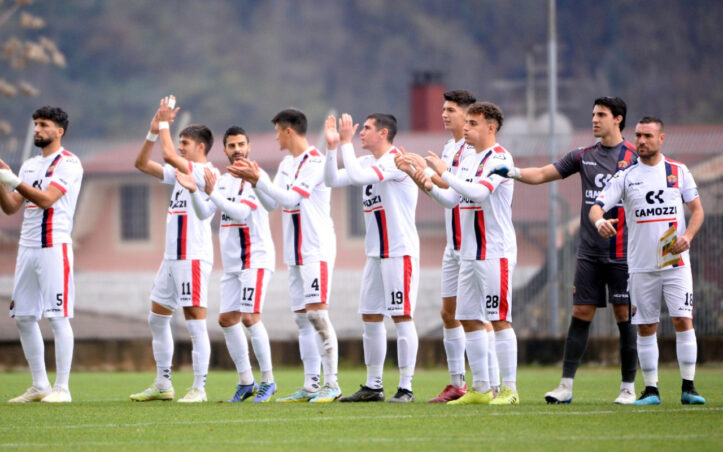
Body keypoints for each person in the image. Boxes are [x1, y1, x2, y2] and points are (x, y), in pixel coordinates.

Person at [488, 96, 638, 404]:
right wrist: (512, 172)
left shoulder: (636, 157)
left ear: (618, 119)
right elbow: (543, 174)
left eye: (602, 115)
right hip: (589, 251)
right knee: (581, 312)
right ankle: (565, 386)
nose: (594, 119)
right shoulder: (583, 155)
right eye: (593, 114)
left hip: (625, 252)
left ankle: (628, 387)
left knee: (624, 315)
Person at [590, 116, 705, 406]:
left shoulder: (678, 171)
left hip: (674, 261)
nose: (641, 141)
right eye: (638, 135)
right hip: (641, 265)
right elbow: (596, 208)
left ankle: (688, 387)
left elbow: (697, 210)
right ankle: (651, 390)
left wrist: (688, 236)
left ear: (661, 139)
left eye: (648, 136)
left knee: (683, 319)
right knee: (645, 326)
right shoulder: (626, 176)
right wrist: (599, 221)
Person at [397, 90, 503, 402]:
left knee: (478, 316)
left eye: (451, 110)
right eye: (443, 109)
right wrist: (419, 173)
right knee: (449, 313)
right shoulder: (450, 147)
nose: (445, 115)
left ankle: (492, 383)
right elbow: (444, 186)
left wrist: (430, 172)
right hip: (453, 244)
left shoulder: (476, 151)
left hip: (477, 245)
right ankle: (458, 382)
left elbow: (452, 183)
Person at [229, 109, 340, 403]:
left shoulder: (315, 161)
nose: (276, 137)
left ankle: (333, 383)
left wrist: (260, 179)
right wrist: (256, 181)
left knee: (317, 314)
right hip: (295, 252)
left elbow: (291, 198)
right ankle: (311, 384)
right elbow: (271, 203)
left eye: (278, 131)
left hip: (316, 248)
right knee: (302, 319)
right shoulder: (287, 162)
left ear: (288, 131)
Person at [418, 102, 519, 405]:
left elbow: (479, 193)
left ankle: (510, 389)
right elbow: (453, 199)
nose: (466, 128)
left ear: (491, 127)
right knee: (469, 318)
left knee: (499, 319)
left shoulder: (500, 158)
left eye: (473, 123)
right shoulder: (468, 160)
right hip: (469, 253)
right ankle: (482, 388)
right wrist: (428, 184)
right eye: (467, 123)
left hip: (494, 252)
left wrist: (444, 173)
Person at [175, 126, 276, 403]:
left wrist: (211, 193)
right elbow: (206, 212)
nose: (237, 150)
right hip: (233, 264)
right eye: (231, 146)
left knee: (249, 317)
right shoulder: (222, 180)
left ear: (249, 146)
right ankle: (246, 381)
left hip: (255, 258)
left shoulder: (256, 177)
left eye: (241, 144)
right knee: (226, 320)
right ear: (225, 150)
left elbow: (241, 212)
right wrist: (196, 191)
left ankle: (269, 381)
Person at [325, 112, 420, 403]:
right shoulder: (365, 162)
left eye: (366, 128)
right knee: (370, 316)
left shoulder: (395, 161)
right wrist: (332, 148)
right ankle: (373, 386)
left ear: (383, 133)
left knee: (402, 316)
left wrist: (345, 144)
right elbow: (331, 178)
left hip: (399, 251)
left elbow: (355, 175)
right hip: (376, 254)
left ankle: (406, 387)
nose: (360, 133)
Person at [130, 96, 218, 403]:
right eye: (179, 142)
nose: (179, 147)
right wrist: (153, 132)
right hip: (170, 258)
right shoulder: (182, 174)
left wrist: (165, 122)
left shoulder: (206, 173)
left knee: (194, 320)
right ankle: (163, 382)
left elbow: (167, 156)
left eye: (185, 142)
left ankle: (199, 388)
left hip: (192, 256)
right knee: (157, 318)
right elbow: (142, 164)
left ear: (200, 148)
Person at [0, 106, 82, 403]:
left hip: (54, 247)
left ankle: (63, 388)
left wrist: (12, 180)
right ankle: (40, 385)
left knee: (57, 317)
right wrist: (3, 178)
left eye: (43, 125)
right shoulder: (30, 165)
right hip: (27, 248)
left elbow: (47, 200)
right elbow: (11, 207)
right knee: (22, 317)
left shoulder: (69, 164)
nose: (37, 129)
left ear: (59, 131)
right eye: (35, 124)